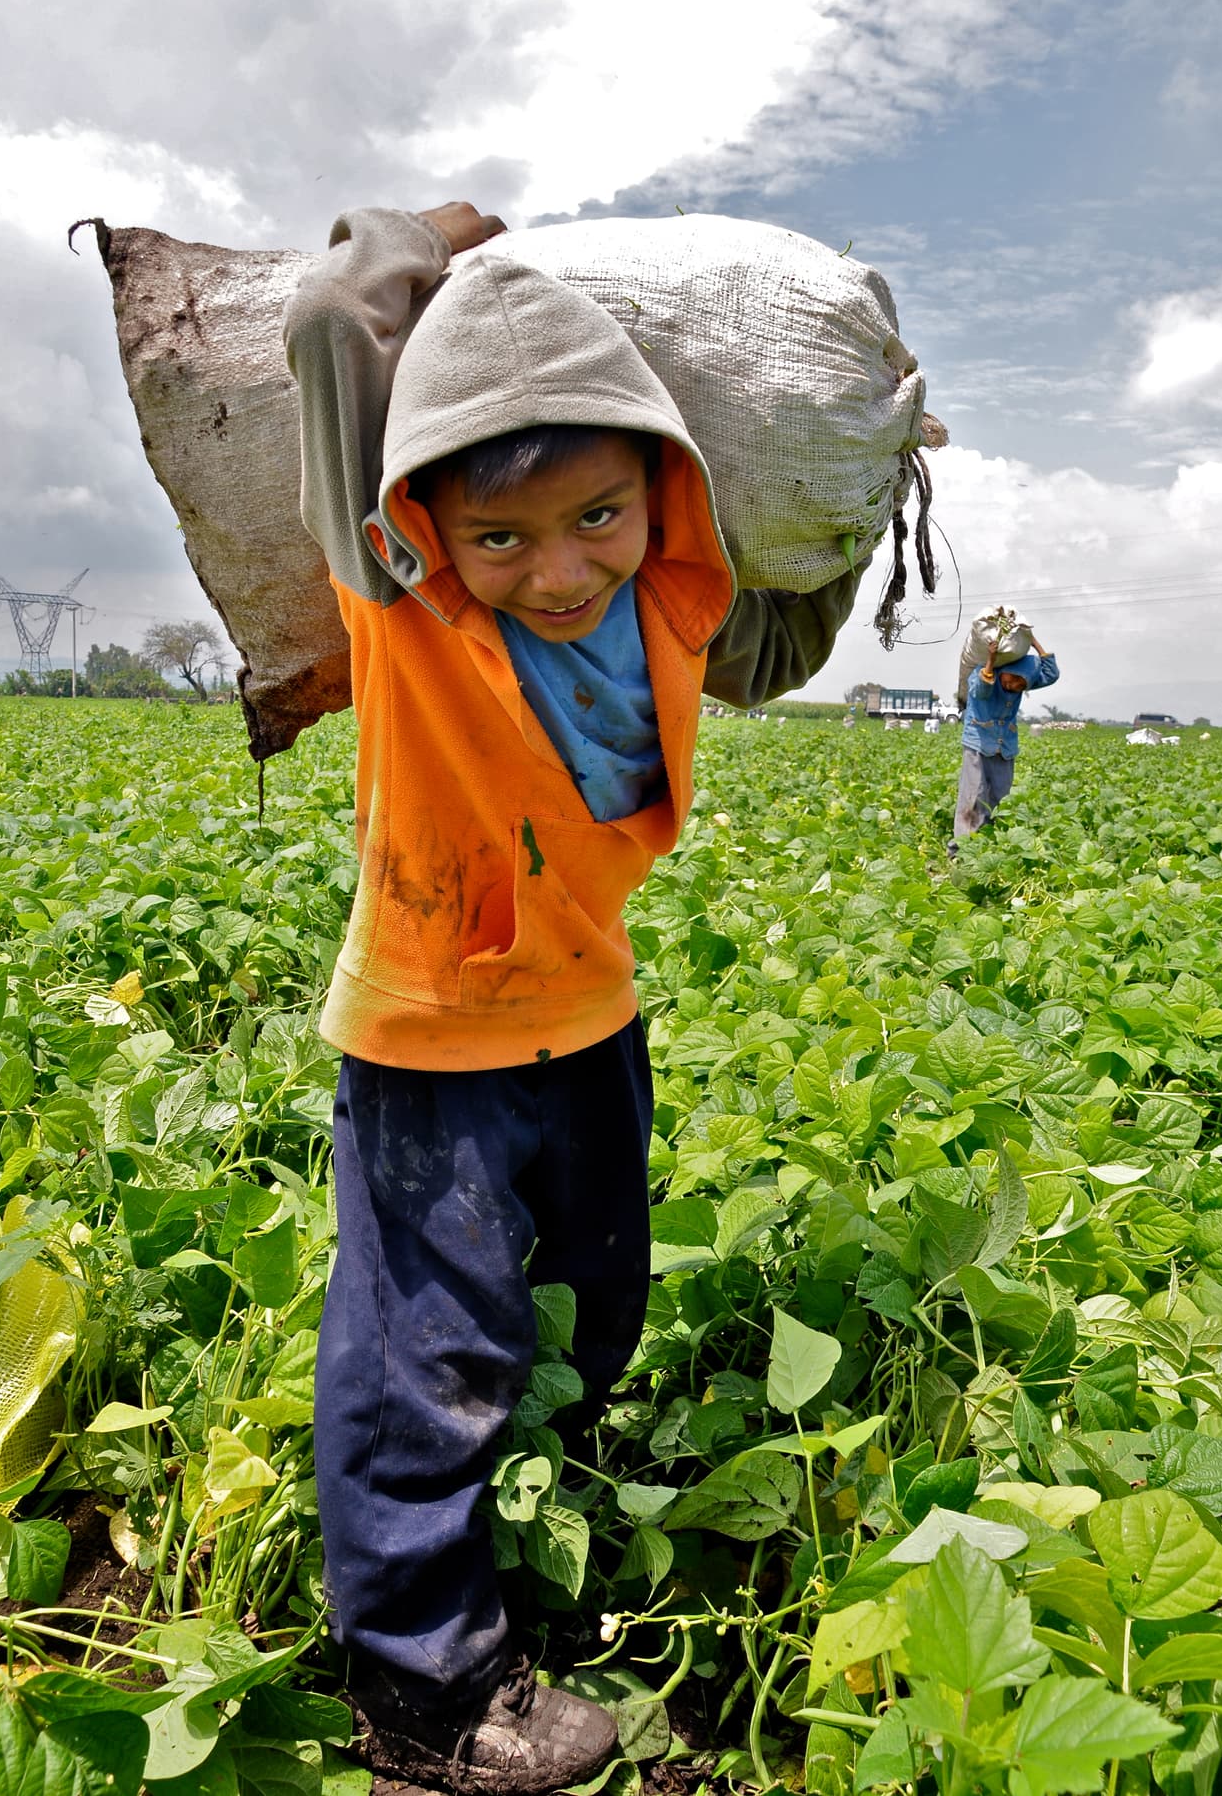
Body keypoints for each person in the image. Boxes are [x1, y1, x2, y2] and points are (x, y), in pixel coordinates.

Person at [282, 202, 867, 1793]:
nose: (554, 570)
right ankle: (423, 1688)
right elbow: (338, 318)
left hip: (590, 1002)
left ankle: (543, 1497)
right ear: (430, 529)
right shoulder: (402, 603)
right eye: (504, 537)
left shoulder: (675, 596)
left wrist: (867, 462)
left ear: (661, 486)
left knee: (599, 1288)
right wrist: (438, 245)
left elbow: (795, 616)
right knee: (429, 1343)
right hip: (433, 1027)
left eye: (595, 514)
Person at [948, 634, 1058, 856]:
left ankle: (989, 844)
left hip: (1004, 746)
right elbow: (981, 690)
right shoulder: (983, 675)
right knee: (973, 795)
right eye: (1013, 679)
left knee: (1000, 798)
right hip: (977, 743)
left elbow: (1051, 674)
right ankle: (960, 850)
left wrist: (1033, 641)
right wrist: (990, 659)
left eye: (1021, 685)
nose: (1014, 685)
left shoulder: (1022, 679)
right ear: (1004, 669)